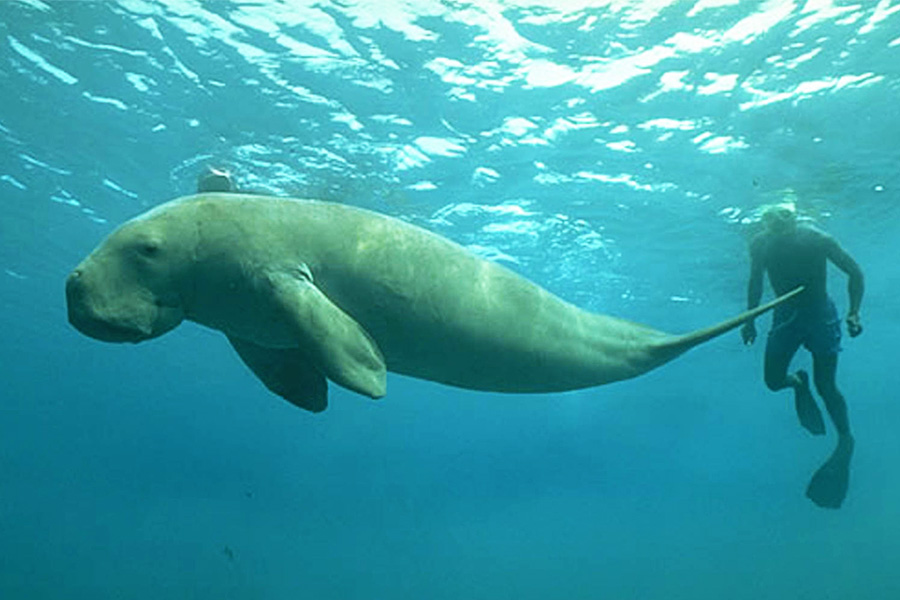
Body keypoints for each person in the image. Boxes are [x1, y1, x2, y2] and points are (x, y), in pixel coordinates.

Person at [740, 202, 864, 507]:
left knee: (827, 385)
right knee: (772, 381)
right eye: (771, 220)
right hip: (784, 317)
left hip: (820, 315)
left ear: (794, 219)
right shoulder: (760, 244)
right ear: (765, 222)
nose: (778, 225)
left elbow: (854, 271)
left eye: (783, 218)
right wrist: (750, 318)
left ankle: (845, 438)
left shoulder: (817, 239)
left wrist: (854, 313)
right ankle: (797, 383)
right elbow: (755, 280)